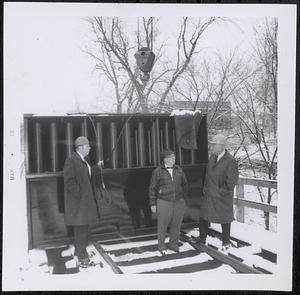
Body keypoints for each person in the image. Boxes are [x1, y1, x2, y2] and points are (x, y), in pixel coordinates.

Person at [63, 136, 103, 267]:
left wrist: (96, 167)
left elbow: (87, 176)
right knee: (80, 230)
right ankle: (83, 257)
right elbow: (69, 182)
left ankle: (80, 254)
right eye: (87, 146)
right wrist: (81, 195)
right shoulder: (71, 160)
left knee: (83, 229)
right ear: (80, 147)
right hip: (78, 204)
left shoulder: (84, 160)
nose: (90, 148)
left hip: (83, 203)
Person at [197, 134, 239, 251]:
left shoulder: (230, 161)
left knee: (224, 219)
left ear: (221, 146)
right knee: (204, 216)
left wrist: (221, 192)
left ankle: (226, 243)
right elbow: (207, 175)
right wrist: (205, 189)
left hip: (221, 197)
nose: (211, 147)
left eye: (213, 145)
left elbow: (231, 181)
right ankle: (202, 239)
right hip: (209, 195)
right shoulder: (212, 157)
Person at [149, 149, 188, 255]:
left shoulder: (179, 169)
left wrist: (183, 199)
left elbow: (185, 185)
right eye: (171, 157)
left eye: (174, 157)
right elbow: (152, 188)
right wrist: (153, 204)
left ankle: (173, 245)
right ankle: (161, 246)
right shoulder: (157, 171)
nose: (174, 159)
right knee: (162, 225)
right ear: (165, 159)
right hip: (163, 202)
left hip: (178, 202)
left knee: (176, 225)